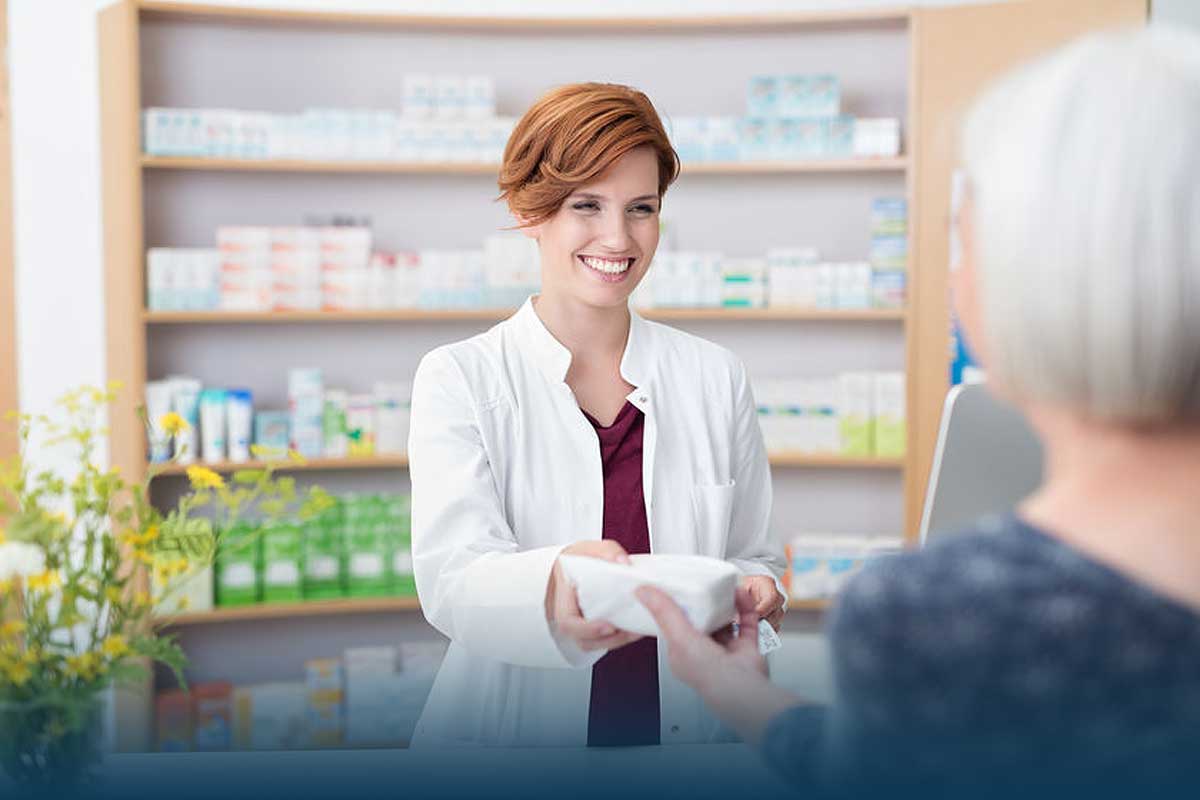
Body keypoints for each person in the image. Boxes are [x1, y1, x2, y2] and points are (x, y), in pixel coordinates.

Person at [639, 26, 1200, 793]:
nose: (956, 277)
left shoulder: (952, 616)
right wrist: (737, 694)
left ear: (1042, 281)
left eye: (965, 242)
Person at [407, 82, 787, 748]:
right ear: (531, 211)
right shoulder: (461, 376)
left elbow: (747, 553)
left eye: (641, 208)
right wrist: (557, 583)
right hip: (511, 741)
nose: (619, 237)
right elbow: (451, 581)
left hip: (683, 732)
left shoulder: (714, 376)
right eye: (587, 205)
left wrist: (756, 588)